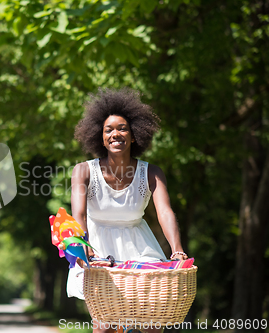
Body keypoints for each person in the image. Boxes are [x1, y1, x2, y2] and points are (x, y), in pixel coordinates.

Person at [68, 88, 188, 333]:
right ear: (100, 139)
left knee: (152, 323)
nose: (116, 134)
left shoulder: (152, 172)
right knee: (104, 327)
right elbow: (78, 215)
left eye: (122, 128)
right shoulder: (83, 171)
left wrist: (177, 250)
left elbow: (165, 212)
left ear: (134, 136)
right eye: (108, 130)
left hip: (140, 247)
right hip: (98, 249)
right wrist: (83, 247)